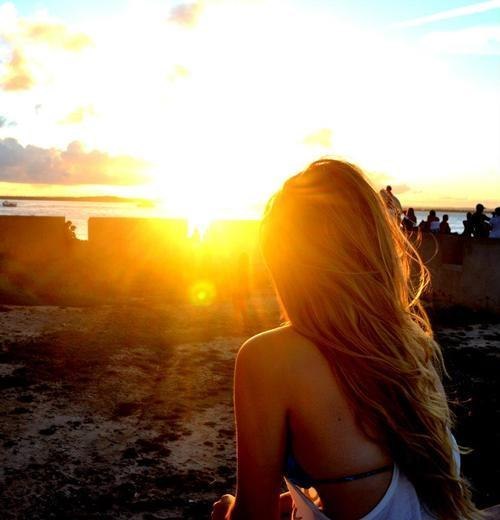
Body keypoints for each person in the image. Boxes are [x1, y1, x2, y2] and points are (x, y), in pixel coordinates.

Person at [211, 160, 480, 520]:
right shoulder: (412, 346)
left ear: (286, 262)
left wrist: (227, 510)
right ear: (376, 245)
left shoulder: (269, 358)